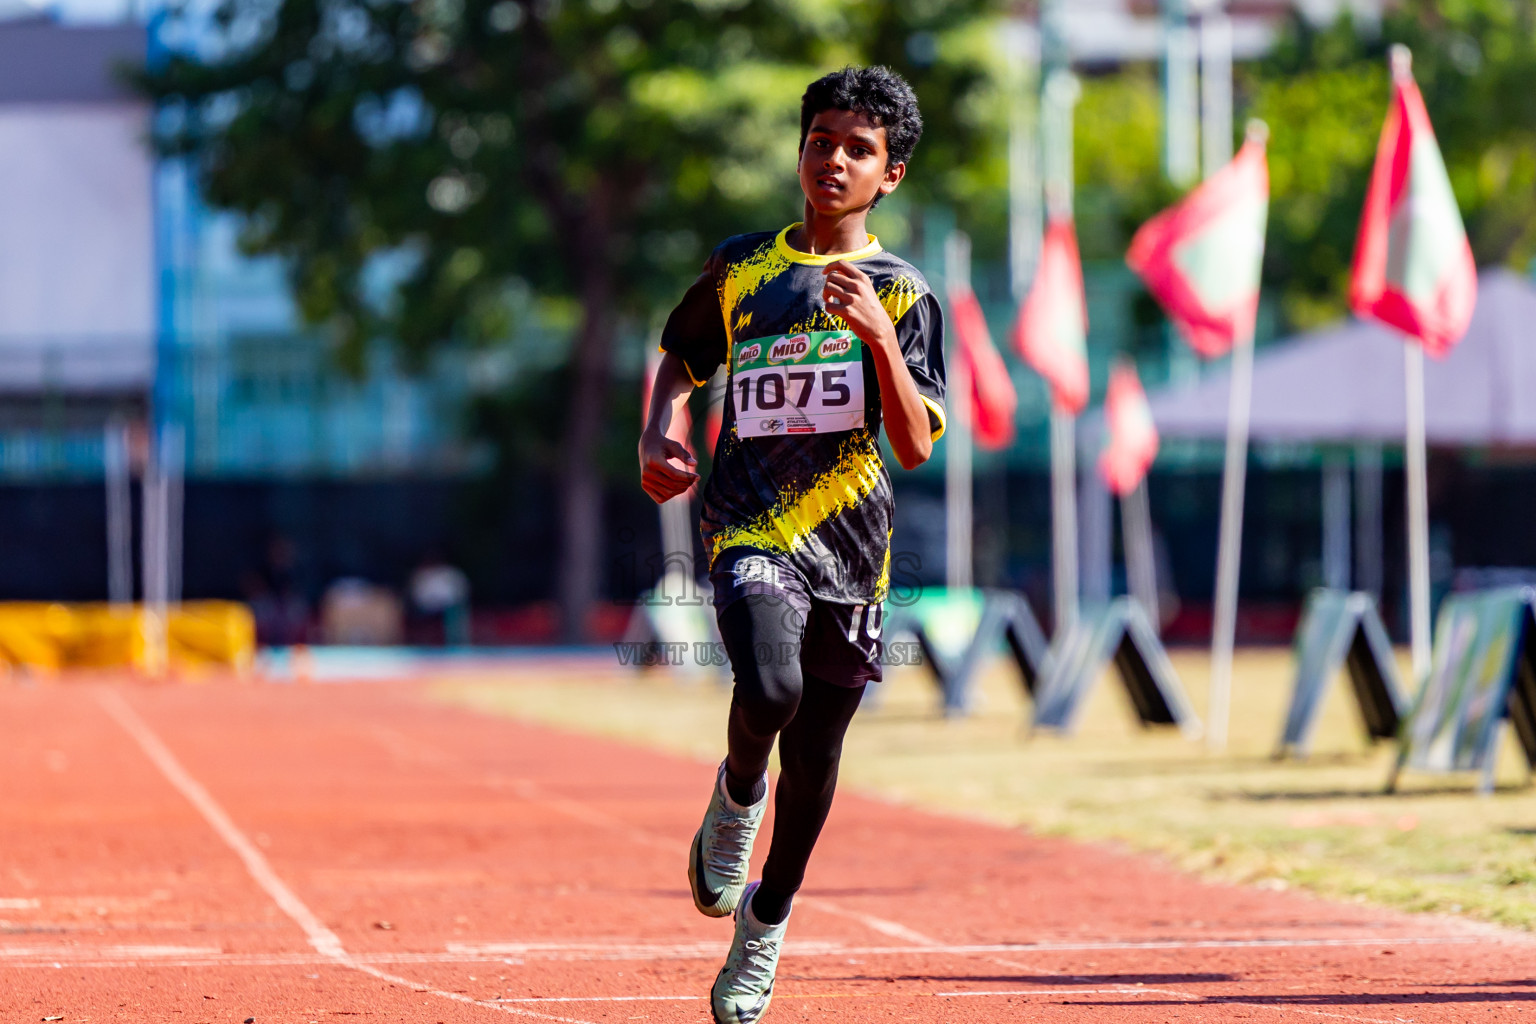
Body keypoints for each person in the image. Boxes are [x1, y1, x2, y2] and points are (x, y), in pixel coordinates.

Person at [638, 65, 945, 1024]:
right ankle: (735, 800)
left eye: (860, 149)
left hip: (853, 554)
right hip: (748, 527)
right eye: (823, 141)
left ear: (890, 174)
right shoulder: (742, 269)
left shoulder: (903, 292)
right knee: (768, 688)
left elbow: (916, 444)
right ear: (801, 148)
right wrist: (658, 433)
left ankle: (765, 922)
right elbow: (682, 360)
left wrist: (878, 342)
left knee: (814, 759)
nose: (836, 160)